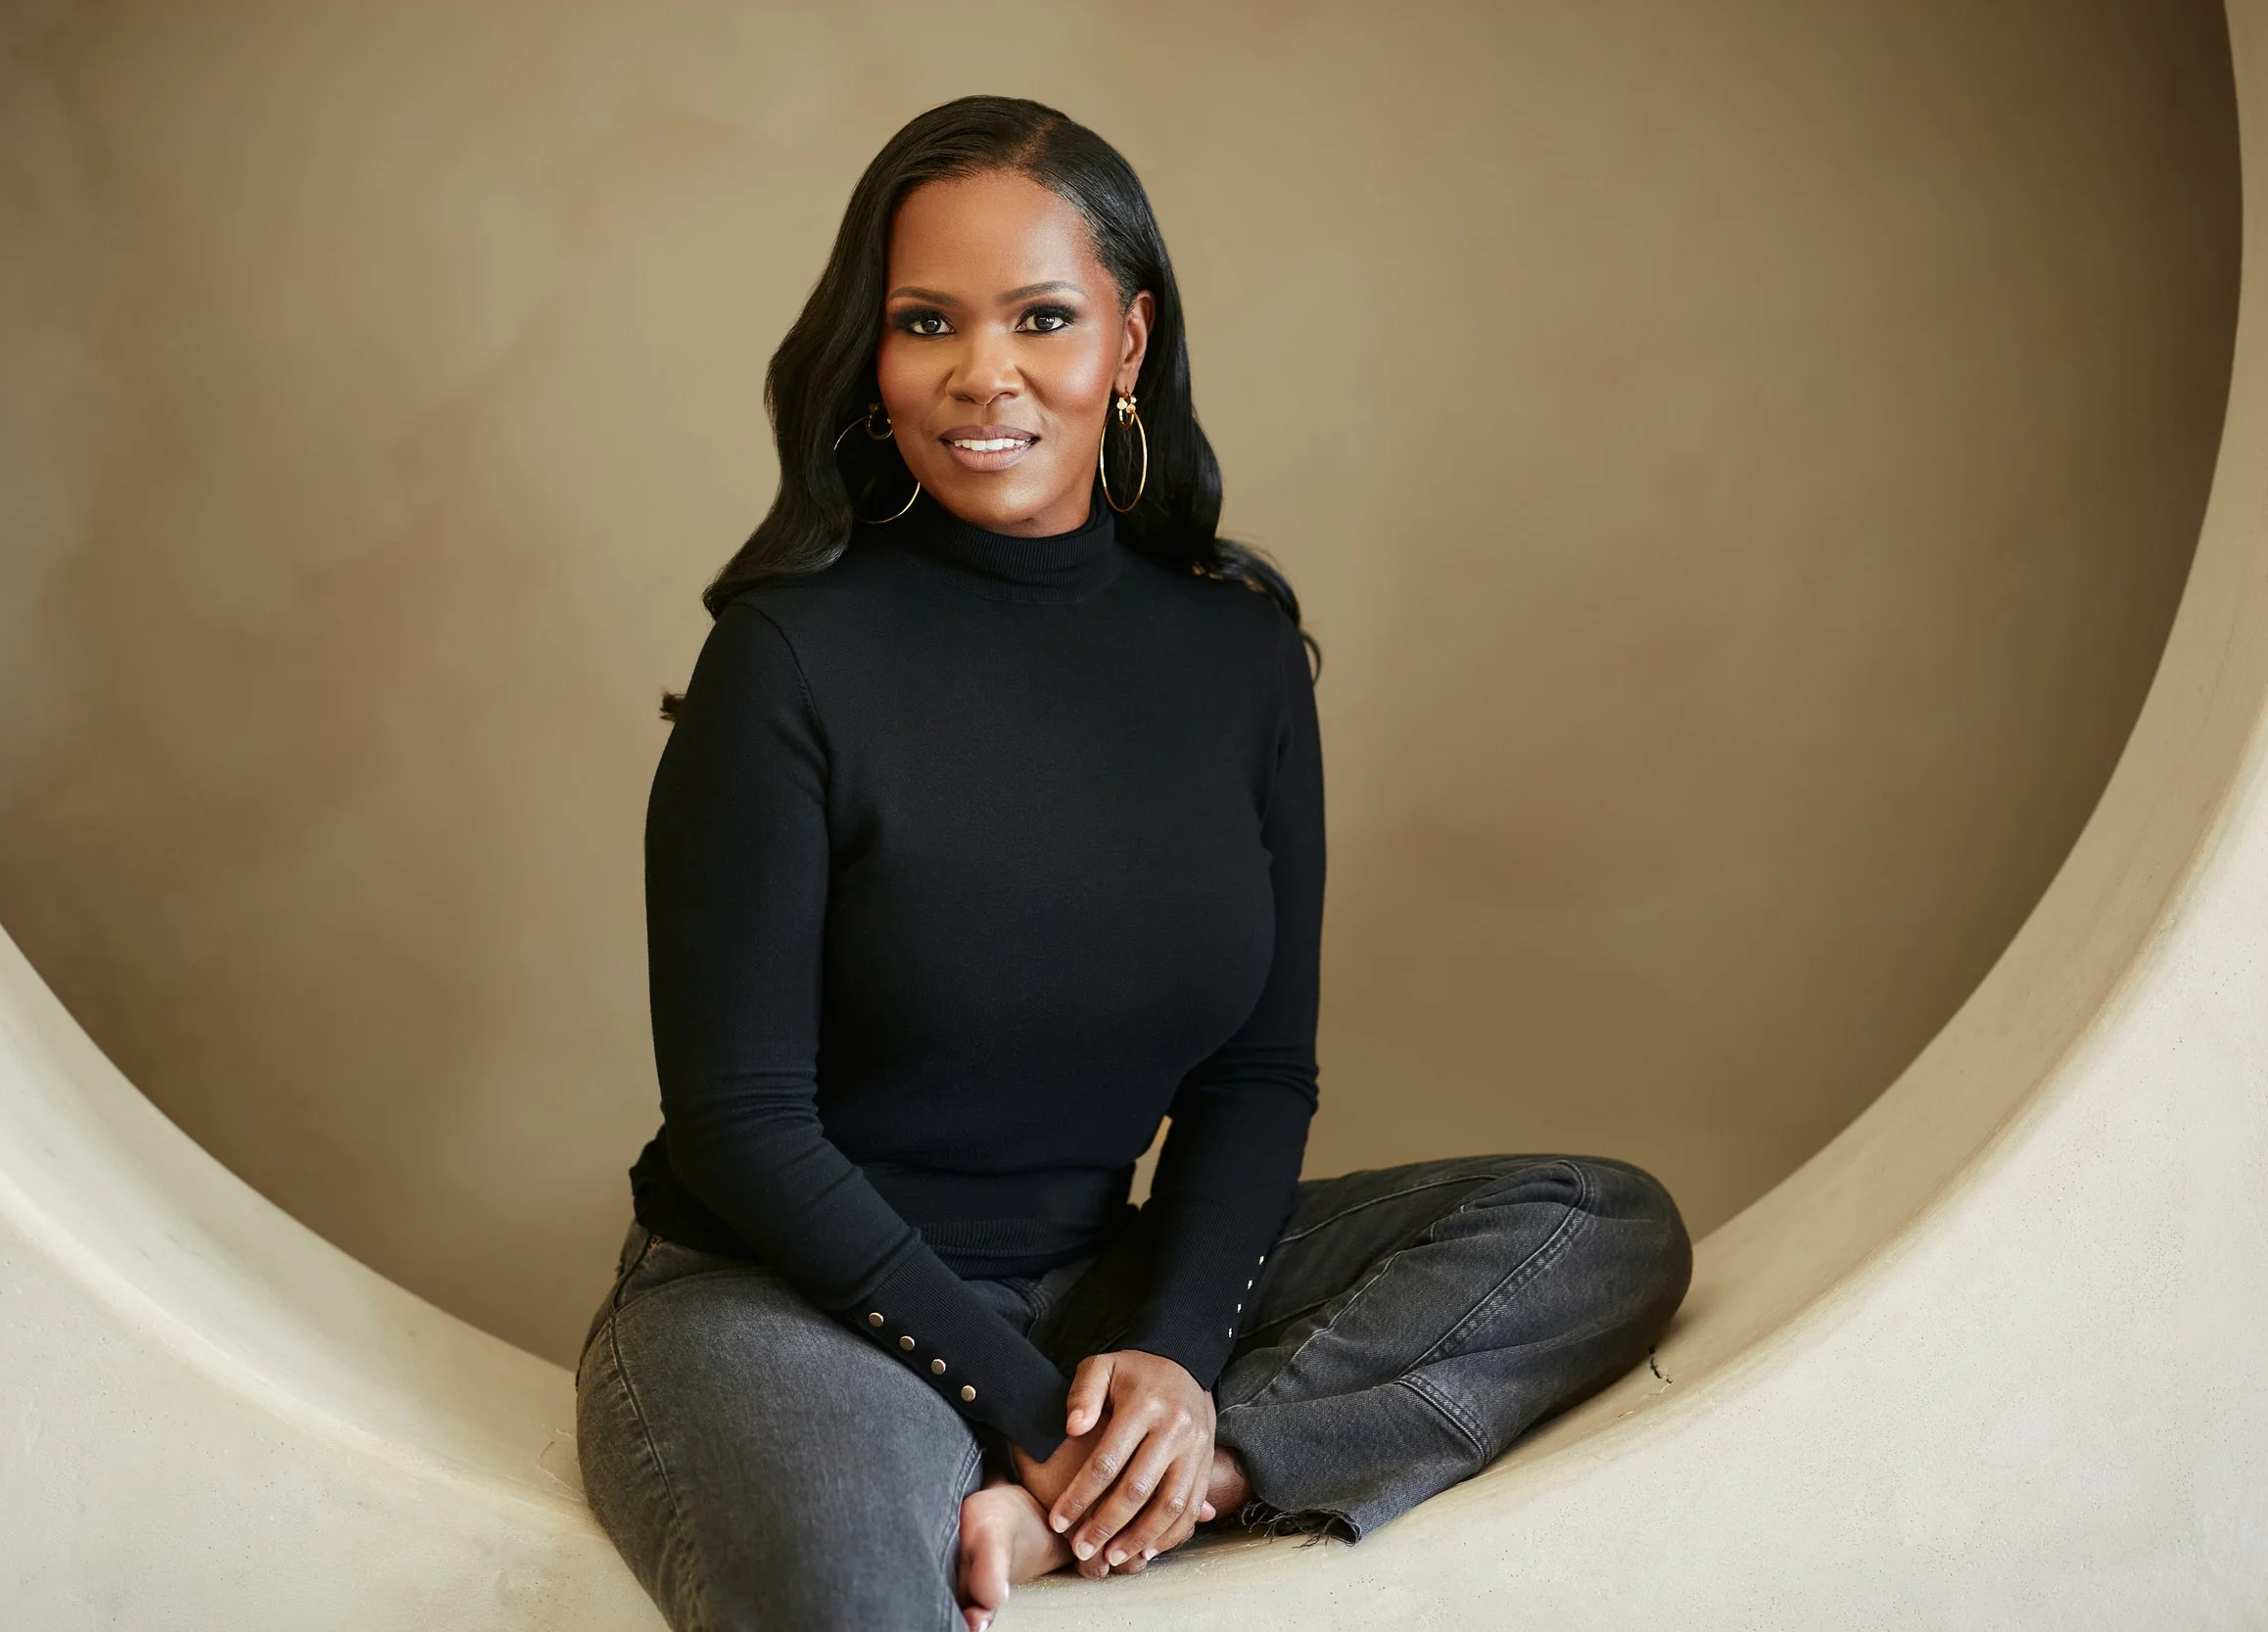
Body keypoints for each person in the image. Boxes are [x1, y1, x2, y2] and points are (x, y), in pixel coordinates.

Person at [576, 94, 1692, 1632]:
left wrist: (1168, 1364)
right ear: (873, 354)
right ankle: (1096, 1480)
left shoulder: (1237, 654)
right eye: (926, 322)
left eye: (1044, 316)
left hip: (1102, 1279)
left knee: (1595, 1223)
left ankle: (1192, 1483)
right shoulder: (787, 660)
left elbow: (1255, 1076)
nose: (986, 375)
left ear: (1131, 337)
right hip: (789, 1302)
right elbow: (738, 1124)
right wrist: (1032, 1402)